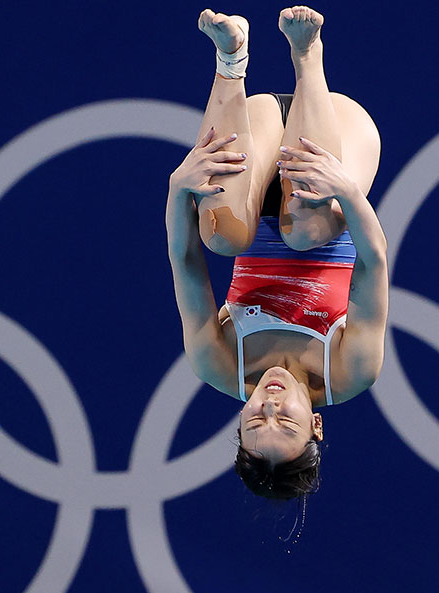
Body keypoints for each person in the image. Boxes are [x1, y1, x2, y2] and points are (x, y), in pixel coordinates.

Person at [166, 7, 389, 501]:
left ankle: (230, 59)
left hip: (258, 151)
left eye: (254, 421)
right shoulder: (350, 373)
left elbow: (185, 263)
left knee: (222, 236)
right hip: (334, 147)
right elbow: (374, 259)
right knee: (307, 229)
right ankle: (308, 54)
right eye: (285, 422)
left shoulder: (217, 364)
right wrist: (348, 192)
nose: (269, 404)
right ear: (316, 425)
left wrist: (177, 190)